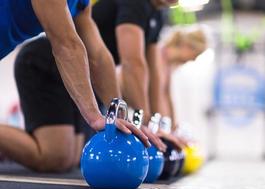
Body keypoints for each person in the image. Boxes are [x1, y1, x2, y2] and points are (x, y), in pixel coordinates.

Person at [0, 1, 152, 172]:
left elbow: (98, 56)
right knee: (55, 155)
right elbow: (65, 44)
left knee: (68, 156)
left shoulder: (81, 3)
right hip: (33, 58)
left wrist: (120, 116)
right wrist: (95, 116)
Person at [92, 0, 185, 150]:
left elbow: (154, 75)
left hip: (94, 76)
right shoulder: (135, 3)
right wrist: (143, 120)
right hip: (63, 68)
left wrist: (156, 124)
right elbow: (132, 63)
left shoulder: (158, 14)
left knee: (70, 155)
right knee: (59, 156)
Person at [159, 28, 208, 132]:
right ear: (187, 46)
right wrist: (164, 128)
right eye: (196, 54)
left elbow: (167, 96)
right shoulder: (157, 56)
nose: (194, 59)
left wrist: (173, 127)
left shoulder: (169, 66)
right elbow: (158, 96)